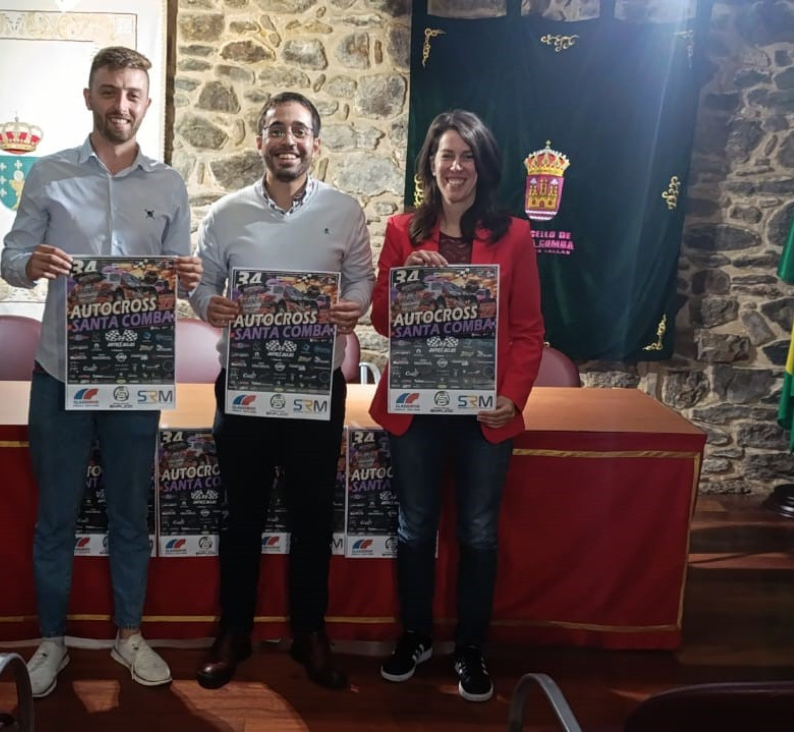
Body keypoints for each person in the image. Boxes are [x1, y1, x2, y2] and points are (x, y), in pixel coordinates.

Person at [0, 46, 203, 697]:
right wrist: (30, 264)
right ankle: (51, 641)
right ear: (89, 97)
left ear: (147, 102)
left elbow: (178, 279)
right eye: (110, 91)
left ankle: (129, 635)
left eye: (133, 94)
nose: (122, 104)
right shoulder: (49, 173)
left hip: (135, 375)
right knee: (54, 516)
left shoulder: (169, 184)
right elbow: (10, 256)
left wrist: (188, 278)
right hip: (60, 372)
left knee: (129, 515)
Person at [188, 91, 375, 691]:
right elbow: (202, 284)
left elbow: (362, 279)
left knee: (313, 515)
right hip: (244, 386)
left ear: (315, 142)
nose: (286, 141)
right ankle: (233, 632)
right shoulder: (226, 214)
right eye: (276, 129)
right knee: (239, 514)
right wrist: (208, 305)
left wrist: (354, 307)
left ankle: (310, 633)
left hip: (317, 387)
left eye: (298, 131)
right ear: (260, 140)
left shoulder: (345, 210)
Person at [369, 109, 544, 702]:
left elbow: (528, 330)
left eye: (467, 156)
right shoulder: (402, 230)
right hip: (416, 406)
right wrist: (404, 279)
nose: (456, 167)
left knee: (478, 532)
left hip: (483, 413)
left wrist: (512, 397)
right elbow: (383, 321)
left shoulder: (515, 235)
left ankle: (470, 646)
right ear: (430, 164)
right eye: (447, 155)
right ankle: (415, 635)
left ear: (483, 166)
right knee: (414, 527)